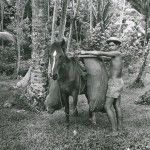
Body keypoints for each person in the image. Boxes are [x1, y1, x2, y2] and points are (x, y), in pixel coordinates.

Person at [78, 37, 124, 135]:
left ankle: (114, 131)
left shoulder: (117, 53)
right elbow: (103, 58)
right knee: (117, 105)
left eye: (112, 45)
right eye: (109, 45)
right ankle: (120, 128)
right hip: (118, 82)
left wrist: (85, 52)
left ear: (117, 46)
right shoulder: (115, 56)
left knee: (107, 106)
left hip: (114, 83)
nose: (110, 47)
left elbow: (99, 53)